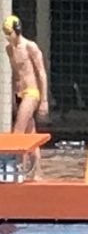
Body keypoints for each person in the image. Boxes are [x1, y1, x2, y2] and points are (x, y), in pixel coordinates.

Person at [3, 15, 49, 178]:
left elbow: (41, 73)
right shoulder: (9, 49)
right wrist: (12, 98)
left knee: (18, 132)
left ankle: (17, 170)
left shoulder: (30, 47)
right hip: (19, 94)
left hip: (31, 92)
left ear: (17, 31)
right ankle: (37, 172)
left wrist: (44, 100)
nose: (7, 37)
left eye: (9, 33)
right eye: (5, 34)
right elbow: (15, 75)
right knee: (30, 133)